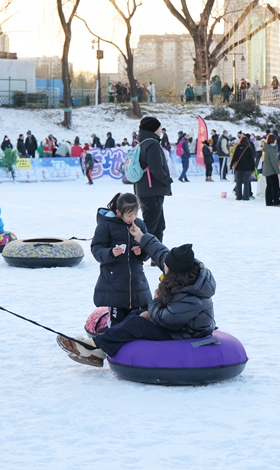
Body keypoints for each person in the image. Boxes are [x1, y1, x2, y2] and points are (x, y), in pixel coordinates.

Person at [57, 225, 215, 368]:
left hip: (186, 332)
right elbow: (160, 252)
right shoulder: (184, 275)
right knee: (135, 315)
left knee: (137, 323)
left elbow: (167, 319)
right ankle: (98, 350)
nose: (163, 266)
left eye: (166, 266)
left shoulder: (191, 296)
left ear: (175, 271)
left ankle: (92, 347)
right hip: (180, 324)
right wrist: (140, 236)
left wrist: (156, 300)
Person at [90, 192, 151, 327]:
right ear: (118, 212)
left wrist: (141, 252)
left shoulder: (139, 225)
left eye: (135, 214)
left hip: (137, 284)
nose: (133, 218)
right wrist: (111, 252)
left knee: (139, 323)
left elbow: (148, 248)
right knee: (117, 325)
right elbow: (96, 248)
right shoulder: (106, 225)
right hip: (114, 285)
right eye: (129, 215)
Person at [133, 116, 172, 241]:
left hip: (144, 189)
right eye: (159, 127)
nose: (161, 129)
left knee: (159, 226)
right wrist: (167, 180)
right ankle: (138, 255)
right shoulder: (152, 144)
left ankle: (156, 256)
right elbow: (156, 168)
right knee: (151, 227)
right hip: (152, 190)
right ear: (153, 129)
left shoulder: (142, 143)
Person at [230, 134, 255, 201]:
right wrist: (253, 168)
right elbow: (251, 159)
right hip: (247, 169)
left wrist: (231, 165)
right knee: (246, 183)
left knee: (238, 183)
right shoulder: (249, 148)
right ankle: (246, 197)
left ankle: (238, 196)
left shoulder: (237, 147)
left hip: (238, 168)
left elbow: (234, 158)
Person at [261, 134, 280, 207]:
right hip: (271, 170)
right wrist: (278, 171)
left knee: (269, 186)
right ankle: (276, 202)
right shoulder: (271, 149)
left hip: (267, 170)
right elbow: (274, 162)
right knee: (275, 186)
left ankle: (269, 201)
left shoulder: (265, 148)